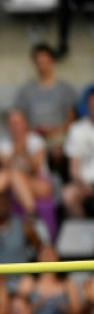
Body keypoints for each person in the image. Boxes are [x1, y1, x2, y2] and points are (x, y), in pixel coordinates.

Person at [0, 110, 56, 239]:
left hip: (39, 183)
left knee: (14, 175)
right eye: (12, 123)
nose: (15, 127)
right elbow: (4, 168)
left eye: (18, 123)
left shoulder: (36, 141)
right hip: (13, 185)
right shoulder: (3, 144)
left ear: (25, 124)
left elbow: (35, 170)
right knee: (7, 175)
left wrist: (23, 151)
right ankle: (31, 214)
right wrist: (15, 152)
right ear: (8, 126)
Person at [13, 44, 77, 171]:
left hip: (58, 136)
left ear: (52, 61)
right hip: (32, 135)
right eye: (39, 63)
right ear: (34, 63)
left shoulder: (65, 88)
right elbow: (19, 118)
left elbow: (71, 119)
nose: (42, 66)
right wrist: (32, 131)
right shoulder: (26, 91)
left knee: (58, 150)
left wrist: (56, 130)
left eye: (45, 62)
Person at [61, 90, 94, 218]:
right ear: (88, 107)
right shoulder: (77, 129)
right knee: (68, 195)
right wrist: (83, 185)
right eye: (92, 106)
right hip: (85, 183)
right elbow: (74, 168)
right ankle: (82, 227)